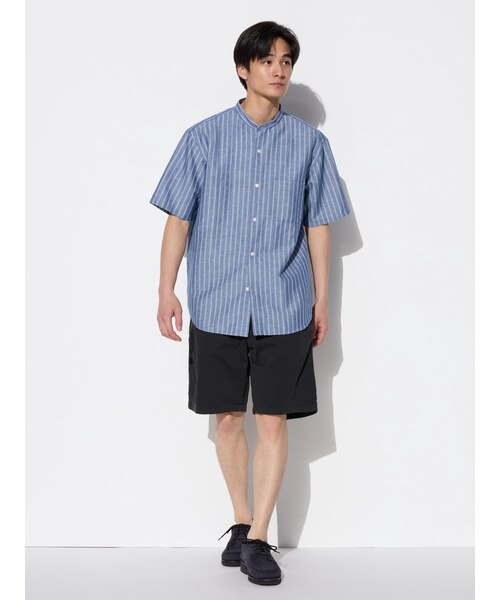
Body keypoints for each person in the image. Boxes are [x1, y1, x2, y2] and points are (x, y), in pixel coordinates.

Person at [149, 21, 350, 586]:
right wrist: (165, 289)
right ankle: (241, 523)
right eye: (267, 61)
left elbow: (319, 226)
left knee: (273, 419)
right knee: (228, 419)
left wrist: (322, 300)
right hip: (217, 302)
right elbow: (178, 220)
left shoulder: (310, 145)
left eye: (286, 61)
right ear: (243, 69)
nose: (279, 70)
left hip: (284, 303)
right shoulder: (203, 138)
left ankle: (260, 537)